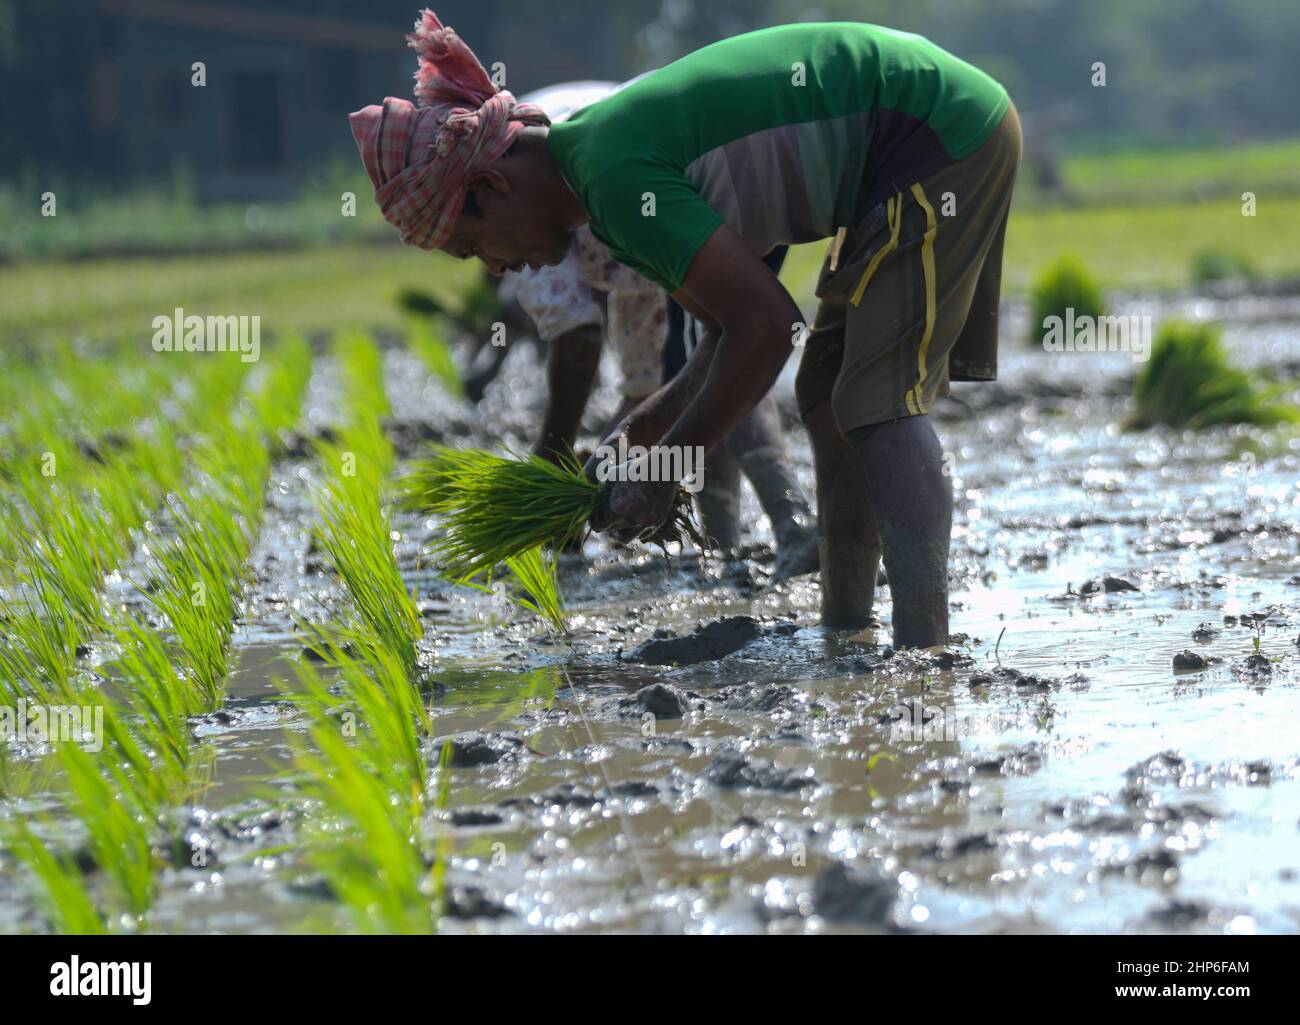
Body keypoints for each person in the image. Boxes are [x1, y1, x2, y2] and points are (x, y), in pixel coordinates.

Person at [350, 12, 1021, 648]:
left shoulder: (613, 179)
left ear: (492, 185)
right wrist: (642, 432)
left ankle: (923, 658)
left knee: (876, 404)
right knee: (825, 396)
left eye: (475, 248)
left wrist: (671, 467)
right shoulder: (603, 190)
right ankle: (847, 632)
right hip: (902, 149)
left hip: (932, 134)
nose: (498, 269)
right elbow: (721, 345)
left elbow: (767, 328)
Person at [494, 81, 817, 577]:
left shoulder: (534, 218)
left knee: (726, 349)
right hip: (674, 172)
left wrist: (553, 462)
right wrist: (601, 477)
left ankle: (790, 525)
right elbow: (647, 389)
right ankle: (725, 546)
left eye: (479, 248)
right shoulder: (573, 225)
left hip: (689, 177)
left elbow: (579, 344)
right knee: (703, 365)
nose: (498, 265)